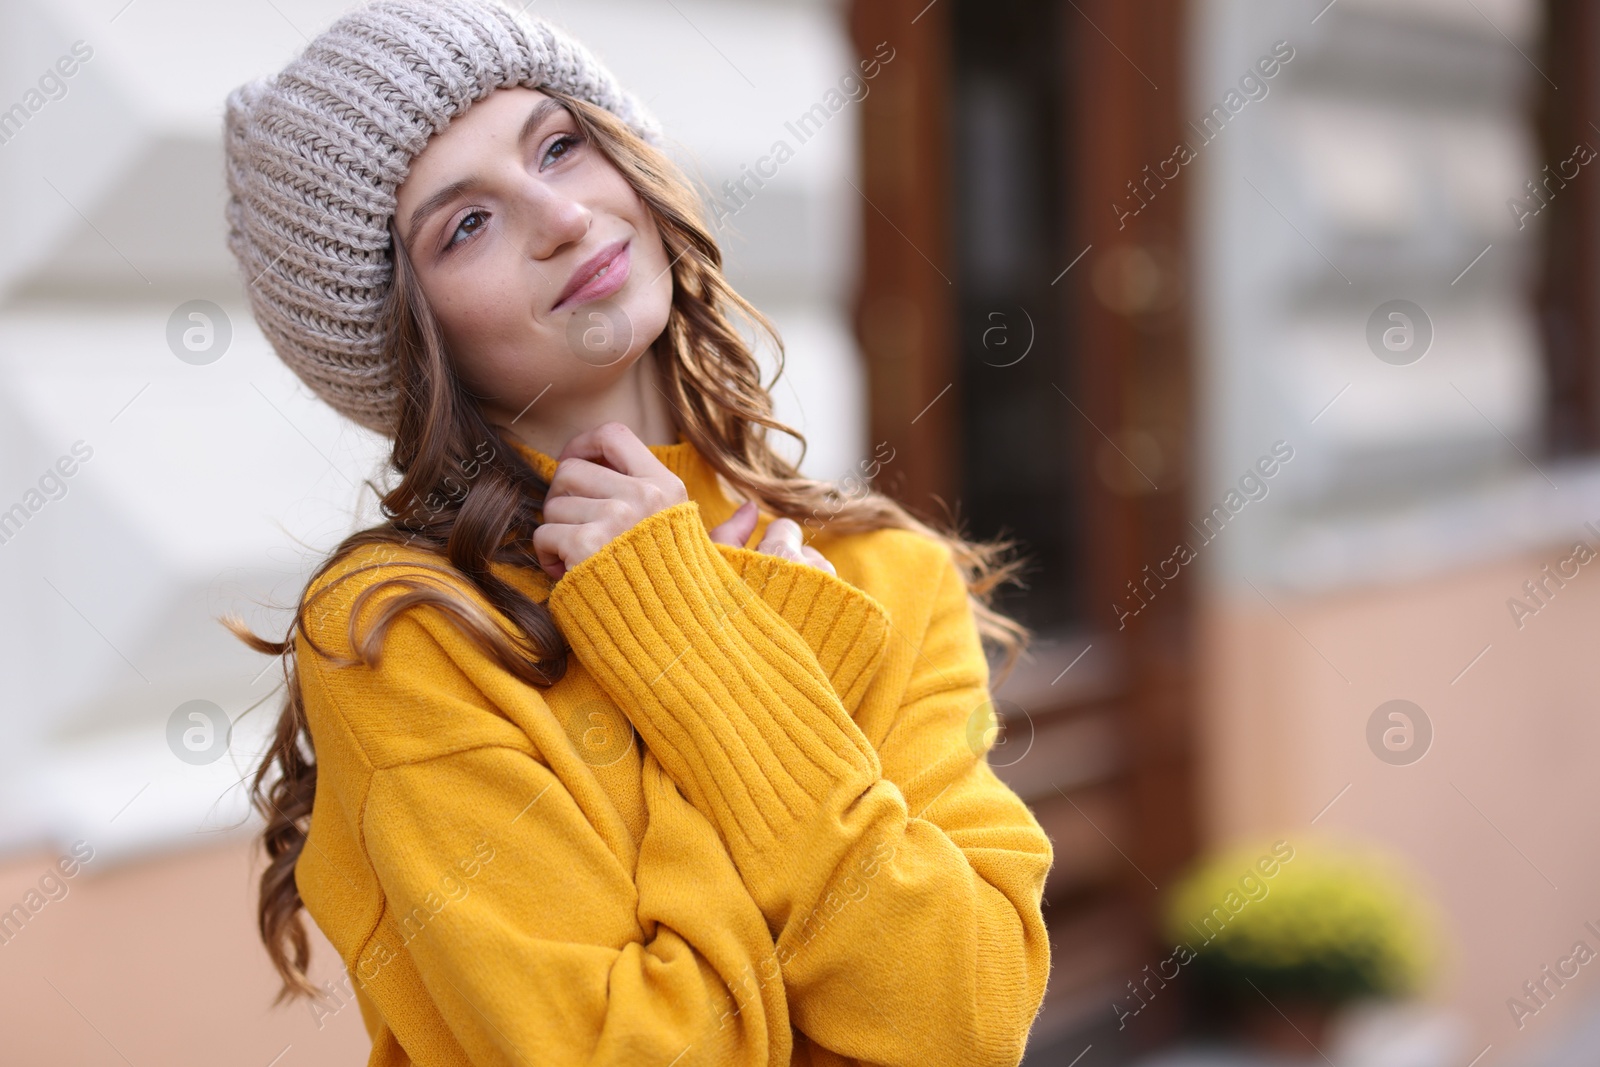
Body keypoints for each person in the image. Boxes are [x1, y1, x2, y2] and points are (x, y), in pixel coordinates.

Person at [220, 1, 1053, 1063]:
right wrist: (702, 645)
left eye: (559, 146)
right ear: (408, 337)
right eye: (463, 224)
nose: (559, 216)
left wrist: (698, 635)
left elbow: (962, 1011)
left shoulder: (886, 573)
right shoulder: (405, 631)